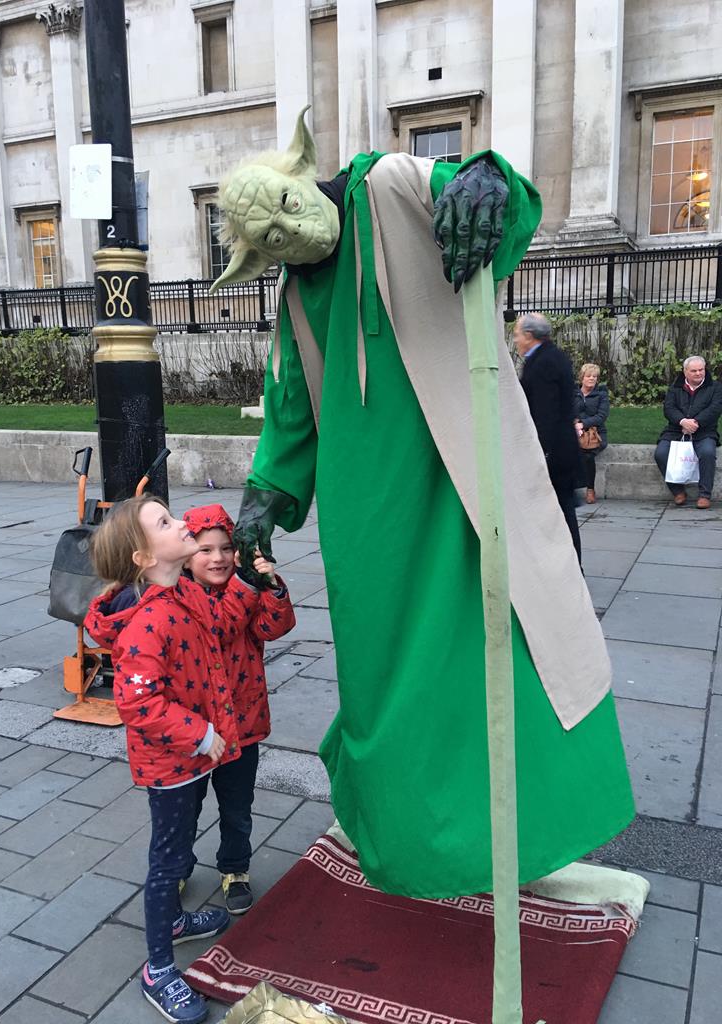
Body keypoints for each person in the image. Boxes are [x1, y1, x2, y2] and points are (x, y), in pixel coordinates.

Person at [204, 110, 633, 900]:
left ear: (303, 181)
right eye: (268, 240)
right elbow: (291, 408)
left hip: (467, 478)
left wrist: (487, 180)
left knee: (509, 657)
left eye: (286, 213)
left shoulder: (394, 186)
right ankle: (412, 843)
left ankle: (511, 839)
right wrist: (263, 503)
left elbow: (505, 220)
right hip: (369, 521)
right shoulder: (297, 299)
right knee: (384, 687)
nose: (288, 238)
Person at [84, 495, 260, 1024]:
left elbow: (222, 635)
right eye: (165, 522)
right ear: (142, 556)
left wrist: (256, 583)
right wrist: (203, 733)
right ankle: (159, 968)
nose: (181, 523)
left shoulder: (181, 590)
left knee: (178, 847)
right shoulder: (147, 622)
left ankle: (177, 924)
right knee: (167, 861)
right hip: (171, 766)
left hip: (195, 755)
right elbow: (138, 702)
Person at [182, 503, 295, 915]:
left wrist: (271, 585)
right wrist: (246, 585)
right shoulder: (182, 596)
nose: (218, 558)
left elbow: (273, 627)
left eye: (227, 548)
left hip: (241, 726)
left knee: (237, 807)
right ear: (185, 556)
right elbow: (218, 626)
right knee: (185, 809)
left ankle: (235, 869)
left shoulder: (244, 587)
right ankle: (178, 866)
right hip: (193, 730)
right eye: (205, 550)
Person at [515, 312, 582, 564]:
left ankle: (570, 566)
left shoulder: (543, 363)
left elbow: (545, 412)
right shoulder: (552, 356)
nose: (516, 341)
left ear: (530, 336)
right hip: (560, 447)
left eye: (518, 335)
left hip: (553, 451)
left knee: (561, 512)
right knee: (561, 510)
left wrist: (541, 452)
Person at [654, 355, 722, 509]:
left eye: (701, 370)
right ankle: (678, 491)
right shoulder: (675, 387)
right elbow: (669, 409)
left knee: (707, 453)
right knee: (661, 454)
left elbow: (715, 409)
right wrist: (682, 421)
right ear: (685, 372)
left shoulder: (716, 387)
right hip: (675, 429)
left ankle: (705, 495)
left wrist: (695, 423)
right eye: (694, 371)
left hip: (704, 430)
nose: (698, 373)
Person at [573, 362, 610, 504]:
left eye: (594, 376)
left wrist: (583, 424)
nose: (592, 379)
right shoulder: (573, 393)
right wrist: (574, 423)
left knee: (587, 456)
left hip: (596, 434)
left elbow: (601, 416)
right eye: (588, 376)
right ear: (582, 377)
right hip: (574, 431)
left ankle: (590, 489)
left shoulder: (601, 395)